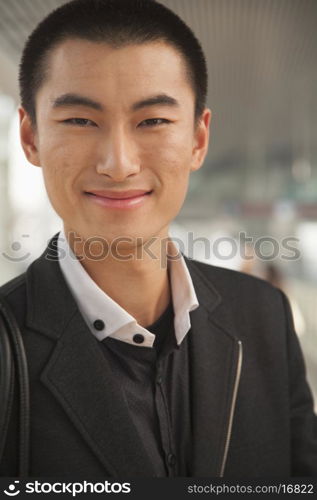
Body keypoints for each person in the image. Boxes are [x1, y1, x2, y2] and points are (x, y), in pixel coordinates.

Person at [0, 0, 316, 478]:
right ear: (30, 137)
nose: (119, 162)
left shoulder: (263, 319)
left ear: (198, 139)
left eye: (152, 121)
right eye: (80, 121)